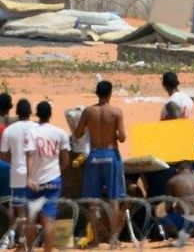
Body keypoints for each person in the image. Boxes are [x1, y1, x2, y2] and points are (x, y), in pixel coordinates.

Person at [74, 80, 127, 246]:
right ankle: (114, 238)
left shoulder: (88, 112)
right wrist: (115, 135)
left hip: (94, 155)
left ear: (96, 93)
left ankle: (95, 238)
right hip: (111, 155)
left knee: (93, 200)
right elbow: (123, 137)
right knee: (114, 199)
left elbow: (77, 134)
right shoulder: (116, 112)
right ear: (110, 93)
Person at [25, 101, 70, 252]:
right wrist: (57, 171)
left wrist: (29, 177)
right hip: (53, 180)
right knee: (49, 219)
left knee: (31, 218)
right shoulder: (60, 133)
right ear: (50, 114)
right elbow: (65, 160)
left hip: (35, 181)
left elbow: (30, 156)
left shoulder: (31, 132)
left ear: (37, 114)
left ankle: (30, 249)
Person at [0, 98, 37, 247]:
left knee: (14, 206)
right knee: (33, 209)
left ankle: (13, 238)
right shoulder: (37, 128)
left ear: (16, 112)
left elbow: (4, 154)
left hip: (15, 170)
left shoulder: (9, 130)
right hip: (34, 172)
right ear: (30, 112)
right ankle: (30, 242)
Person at [159, 161, 194, 245]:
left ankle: (182, 235)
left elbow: (168, 204)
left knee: (162, 217)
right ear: (192, 170)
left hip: (187, 219)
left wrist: (170, 214)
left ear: (178, 170)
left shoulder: (172, 181)